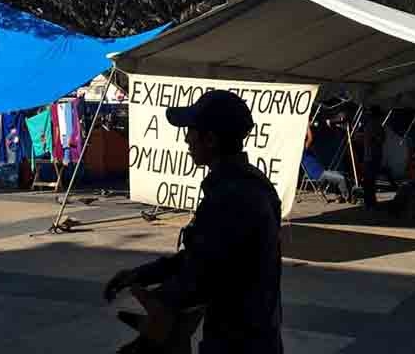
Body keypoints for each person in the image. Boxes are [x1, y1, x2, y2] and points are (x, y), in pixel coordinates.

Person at [104, 90, 283, 354]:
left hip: (238, 344)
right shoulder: (247, 185)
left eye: (191, 132)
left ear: (209, 139)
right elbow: (203, 255)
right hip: (247, 337)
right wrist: (142, 275)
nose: (187, 140)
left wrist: (156, 306)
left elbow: (200, 277)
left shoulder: (232, 197)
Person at [304, 125, 351, 202]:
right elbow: (310, 138)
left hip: (322, 172)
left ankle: (339, 196)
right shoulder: (303, 150)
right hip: (319, 175)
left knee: (341, 174)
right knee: (341, 178)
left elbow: (310, 139)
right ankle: (347, 198)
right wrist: (307, 126)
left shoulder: (305, 150)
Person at [361, 106, 386, 208]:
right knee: (370, 181)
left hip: (371, 156)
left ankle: (369, 202)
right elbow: (382, 139)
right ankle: (370, 201)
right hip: (373, 156)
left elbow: (380, 139)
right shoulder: (376, 126)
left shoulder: (372, 126)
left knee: (369, 181)